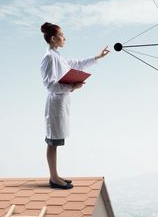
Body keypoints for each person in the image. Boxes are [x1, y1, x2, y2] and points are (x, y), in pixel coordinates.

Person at [40, 22, 109, 189]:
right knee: (52, 141)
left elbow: (77, 64)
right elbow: (49, 85)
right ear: (54, 38)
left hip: (61, 103)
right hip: (55, 104)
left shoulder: (58, 57)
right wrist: (71, 86)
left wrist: (97, 57)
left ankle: (55, 175)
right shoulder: (49, 58)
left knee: (56, 140)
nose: (65, 38)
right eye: (62, 35)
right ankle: (54, 178)